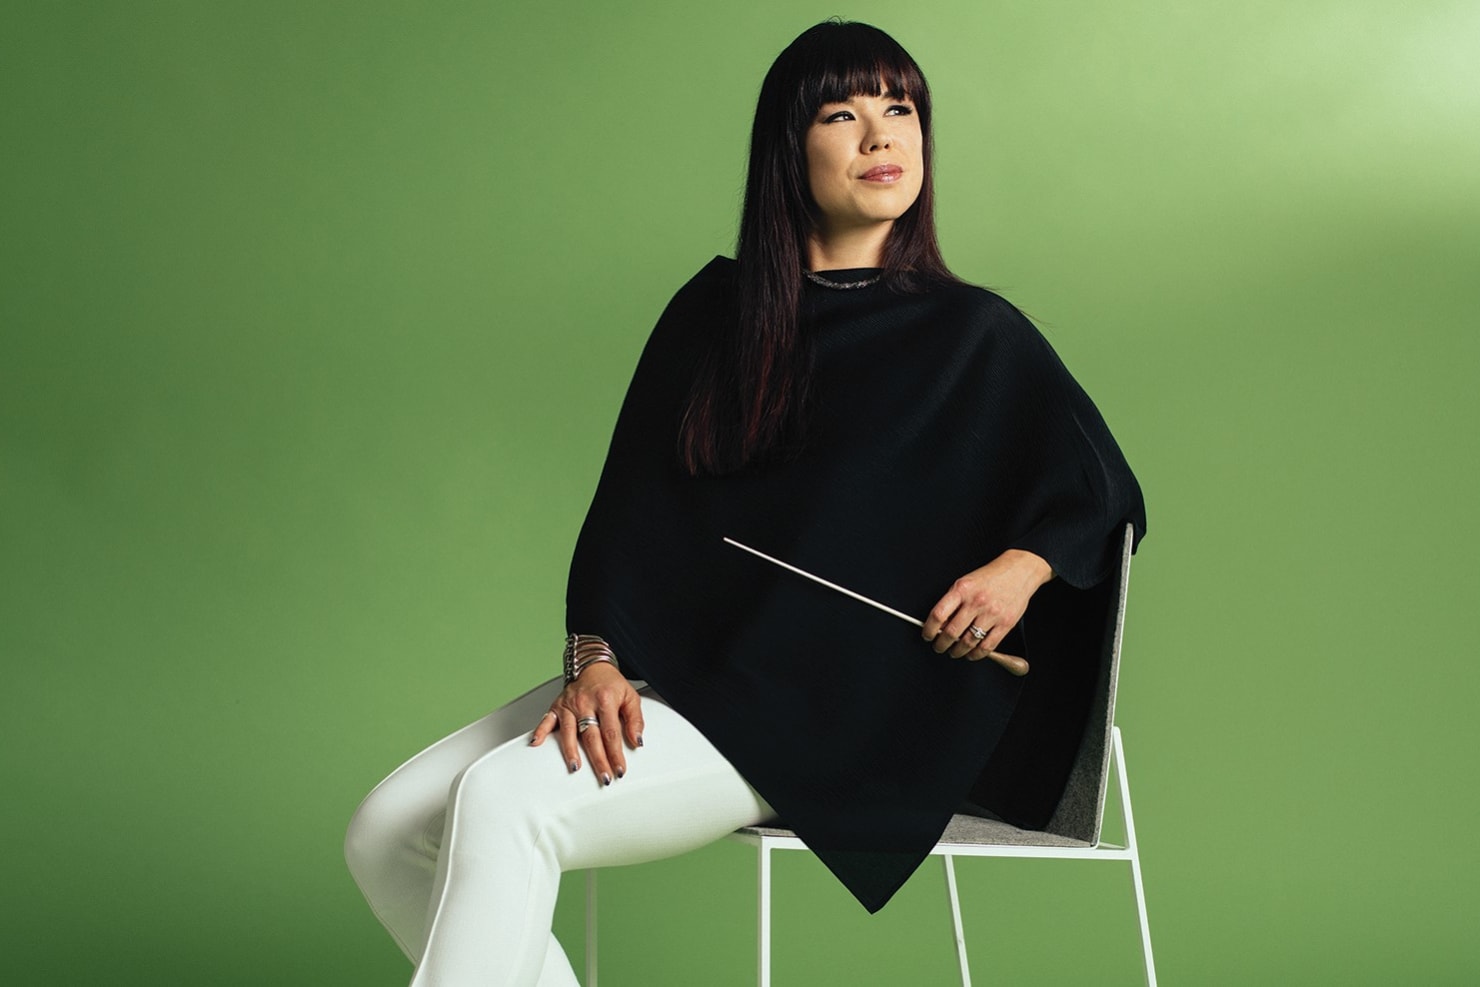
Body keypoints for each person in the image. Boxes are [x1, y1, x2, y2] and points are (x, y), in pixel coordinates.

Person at [344, 19, 1146, 986]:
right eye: (841, 114)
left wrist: (1020, 569)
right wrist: (595, 659)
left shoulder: (977, 333)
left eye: (901, 109)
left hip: (828, 713)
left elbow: (1106, 488)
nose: (881, 136)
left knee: (507, 802)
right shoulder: (713, 315)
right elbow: (626, 514)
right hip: (687, 670)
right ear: (787, 148)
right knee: (384, 831)